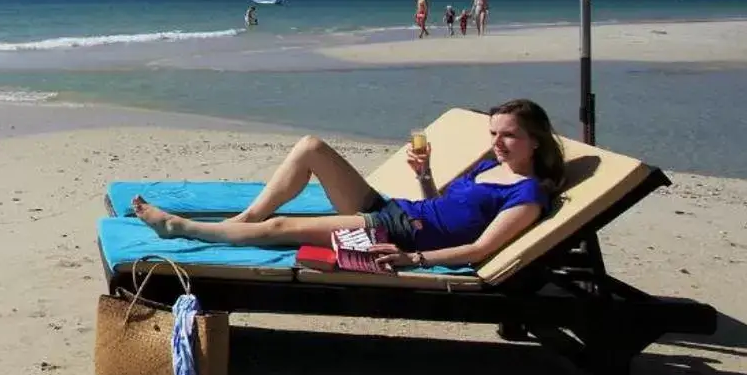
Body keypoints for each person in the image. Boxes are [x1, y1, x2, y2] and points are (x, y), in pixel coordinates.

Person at [128, 99, 564, 271]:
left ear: (535, 140)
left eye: (508, 135)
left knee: (282, 229)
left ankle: (181, 228)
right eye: (494, 133)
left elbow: (479, 249)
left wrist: (414, 258)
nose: (498, 142)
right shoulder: (488, 165)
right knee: (311, 147)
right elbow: (443, 207)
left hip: (392, 234)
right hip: (398, 210)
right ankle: (244, 219)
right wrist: (425, 174)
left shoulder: (526, 195)